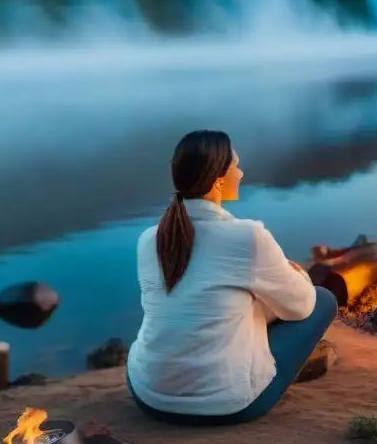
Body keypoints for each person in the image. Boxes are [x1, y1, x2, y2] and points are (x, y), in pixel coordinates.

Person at [126, 130, 338, 425]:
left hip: (150, 397)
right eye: (235, 165)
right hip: (228, 405)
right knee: (323, 300)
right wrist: (297, 273)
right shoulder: (247, 237)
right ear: (219, 179)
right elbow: (300, 307)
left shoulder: (149, 239)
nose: (241, 172)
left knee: (230, 308)